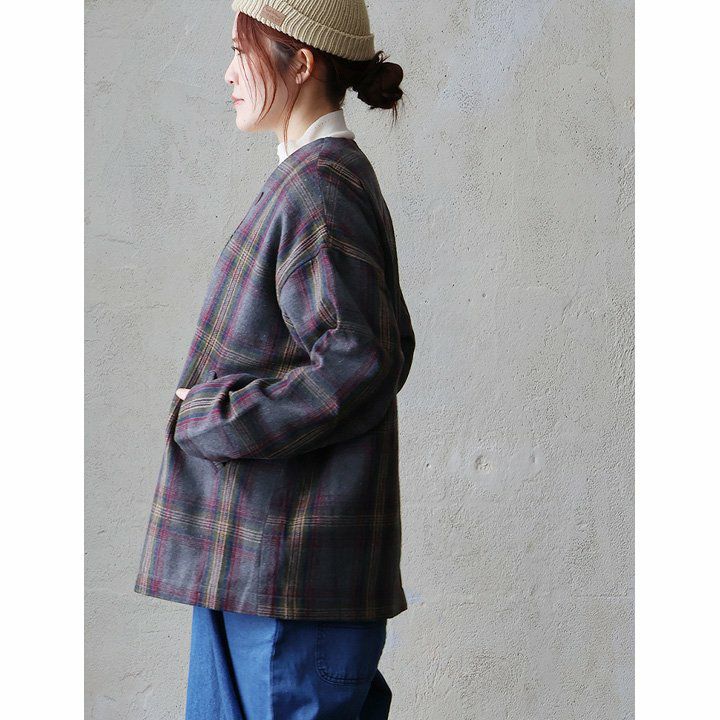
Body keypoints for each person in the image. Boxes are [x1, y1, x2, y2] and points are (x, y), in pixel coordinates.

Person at [134, 2, 416, 718]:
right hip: (264, 571)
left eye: (242, 51)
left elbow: (361, 362)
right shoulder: (309, 181)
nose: (229, 74)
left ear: (301, 64)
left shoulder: (320, 190)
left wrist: (212, 414)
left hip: (289, 579)